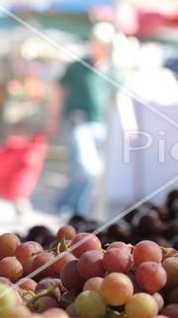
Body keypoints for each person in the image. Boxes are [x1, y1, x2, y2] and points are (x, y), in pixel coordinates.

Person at [46, 23, 116, 216]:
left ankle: (74, 209)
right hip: (77, 123)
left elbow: (120, 96)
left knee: (87, 171)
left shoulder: (111, 69)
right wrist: (53, 118)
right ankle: (68, 207)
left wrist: (130, 124)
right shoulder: (77, 67)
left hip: (99, 126)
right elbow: (58, 91)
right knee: (88, 168)